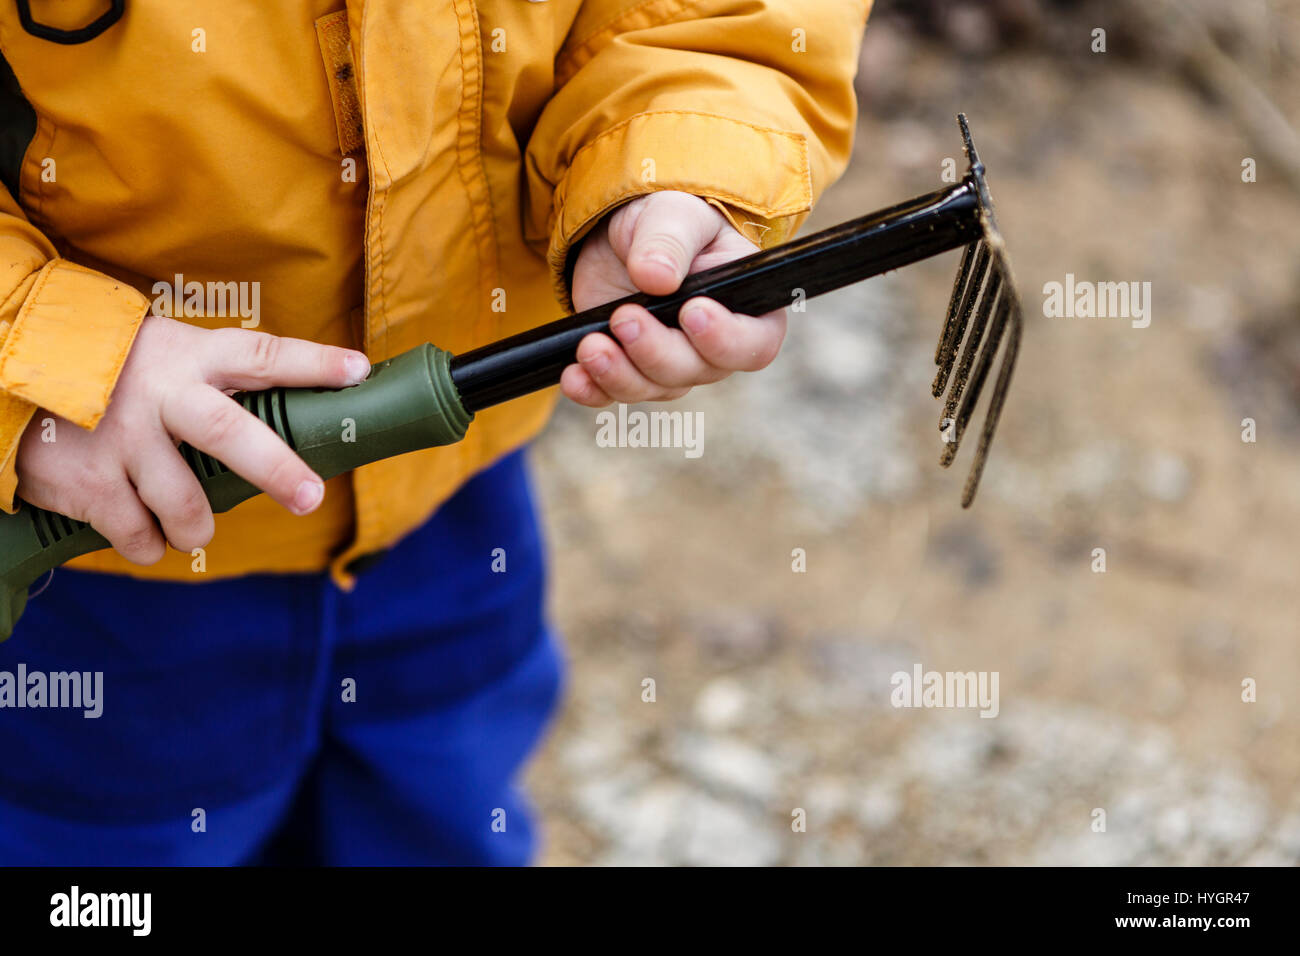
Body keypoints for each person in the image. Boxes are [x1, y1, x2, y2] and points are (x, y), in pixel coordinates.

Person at [0, 0, 868, 864]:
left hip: (449, 506)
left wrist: (663, 156)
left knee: (438, 811)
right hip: (91, 562)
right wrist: (37, 350)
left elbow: (722, 19)